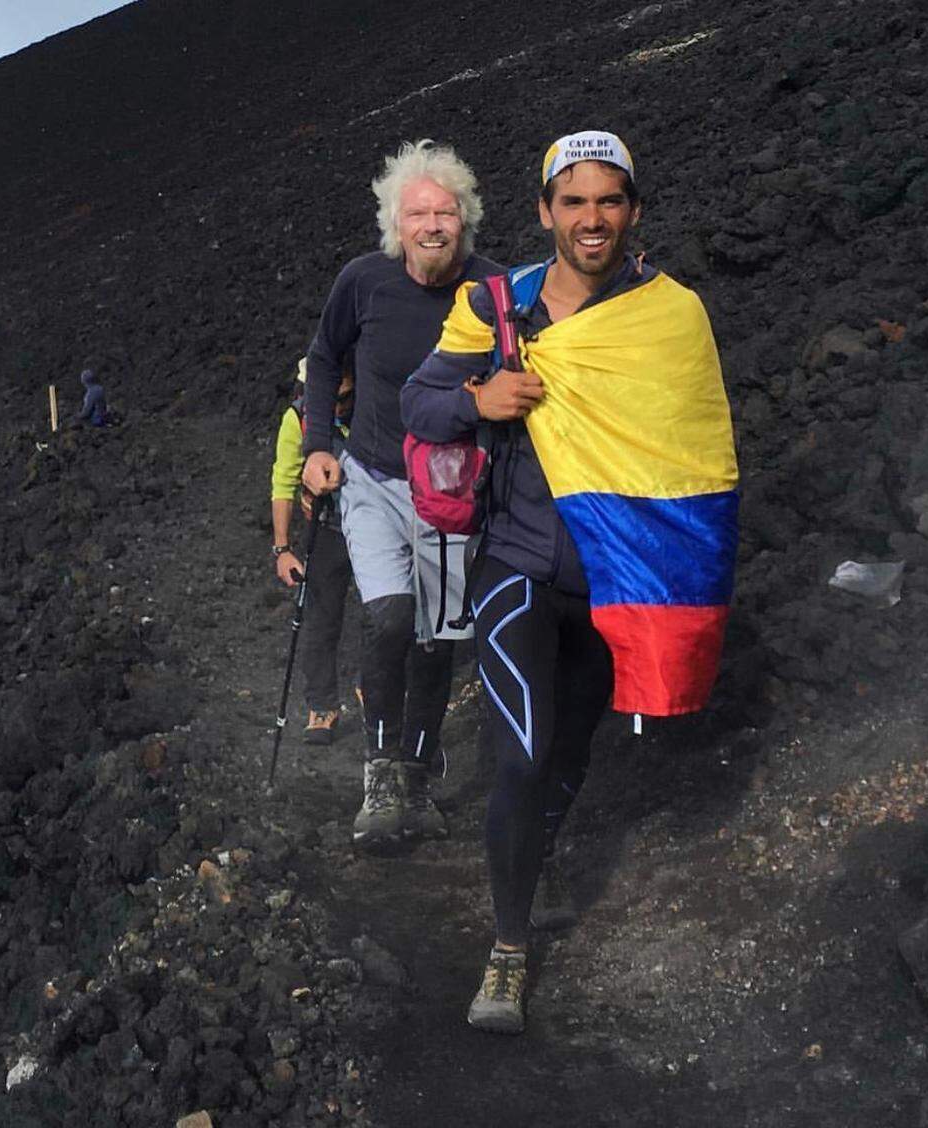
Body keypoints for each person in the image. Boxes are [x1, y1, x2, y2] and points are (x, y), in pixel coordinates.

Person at [401, 130, 741, 1034]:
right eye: (574, 202)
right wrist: (478, 402)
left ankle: (535, 854)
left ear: (633, 211)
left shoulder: (673, 316)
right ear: (546, 210)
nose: (593, 219)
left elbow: (693, 454)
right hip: (517, 565)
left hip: (618, 577)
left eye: (610, 202)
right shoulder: (499, 304)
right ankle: (508, 951)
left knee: (571, 753)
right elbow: (417, 402)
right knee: (519, 753)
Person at [301, 139, 501, 845]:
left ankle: (418, 774)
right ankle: (379, 776)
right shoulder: (363, 282)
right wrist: (317, 447)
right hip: (376, 479)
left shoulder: (493, 290)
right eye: (418, 213)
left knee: (438, 639)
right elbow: (324, 360)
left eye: (445, 211)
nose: (433, 225)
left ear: (464, 218)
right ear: (395, 223)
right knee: (389, 619)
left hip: (451, 492)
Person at [270, 356, 355, 744]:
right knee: (320, 617)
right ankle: (322, 704)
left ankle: (376, 685)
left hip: (380, 522)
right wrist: (283, 549)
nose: (338, 407)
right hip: (329, 528)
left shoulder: (377, 405)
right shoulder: (298, 419)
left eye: (345, 397)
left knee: (386, 612)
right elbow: (283, 482)